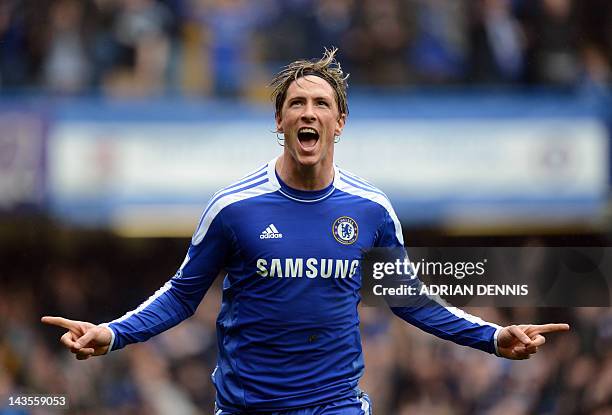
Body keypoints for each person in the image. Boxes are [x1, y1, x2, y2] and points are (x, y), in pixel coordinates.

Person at [42, 48, 569, 414]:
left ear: (340, 123)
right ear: (279, 121)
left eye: (321, 104)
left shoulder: (371, 211)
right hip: (249, 407)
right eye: (297, 103)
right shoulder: (234, 208)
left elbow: (411, 302)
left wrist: (493, 338)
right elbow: (182, 297)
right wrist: (111, 334)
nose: (308, 112)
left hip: (336, 405)